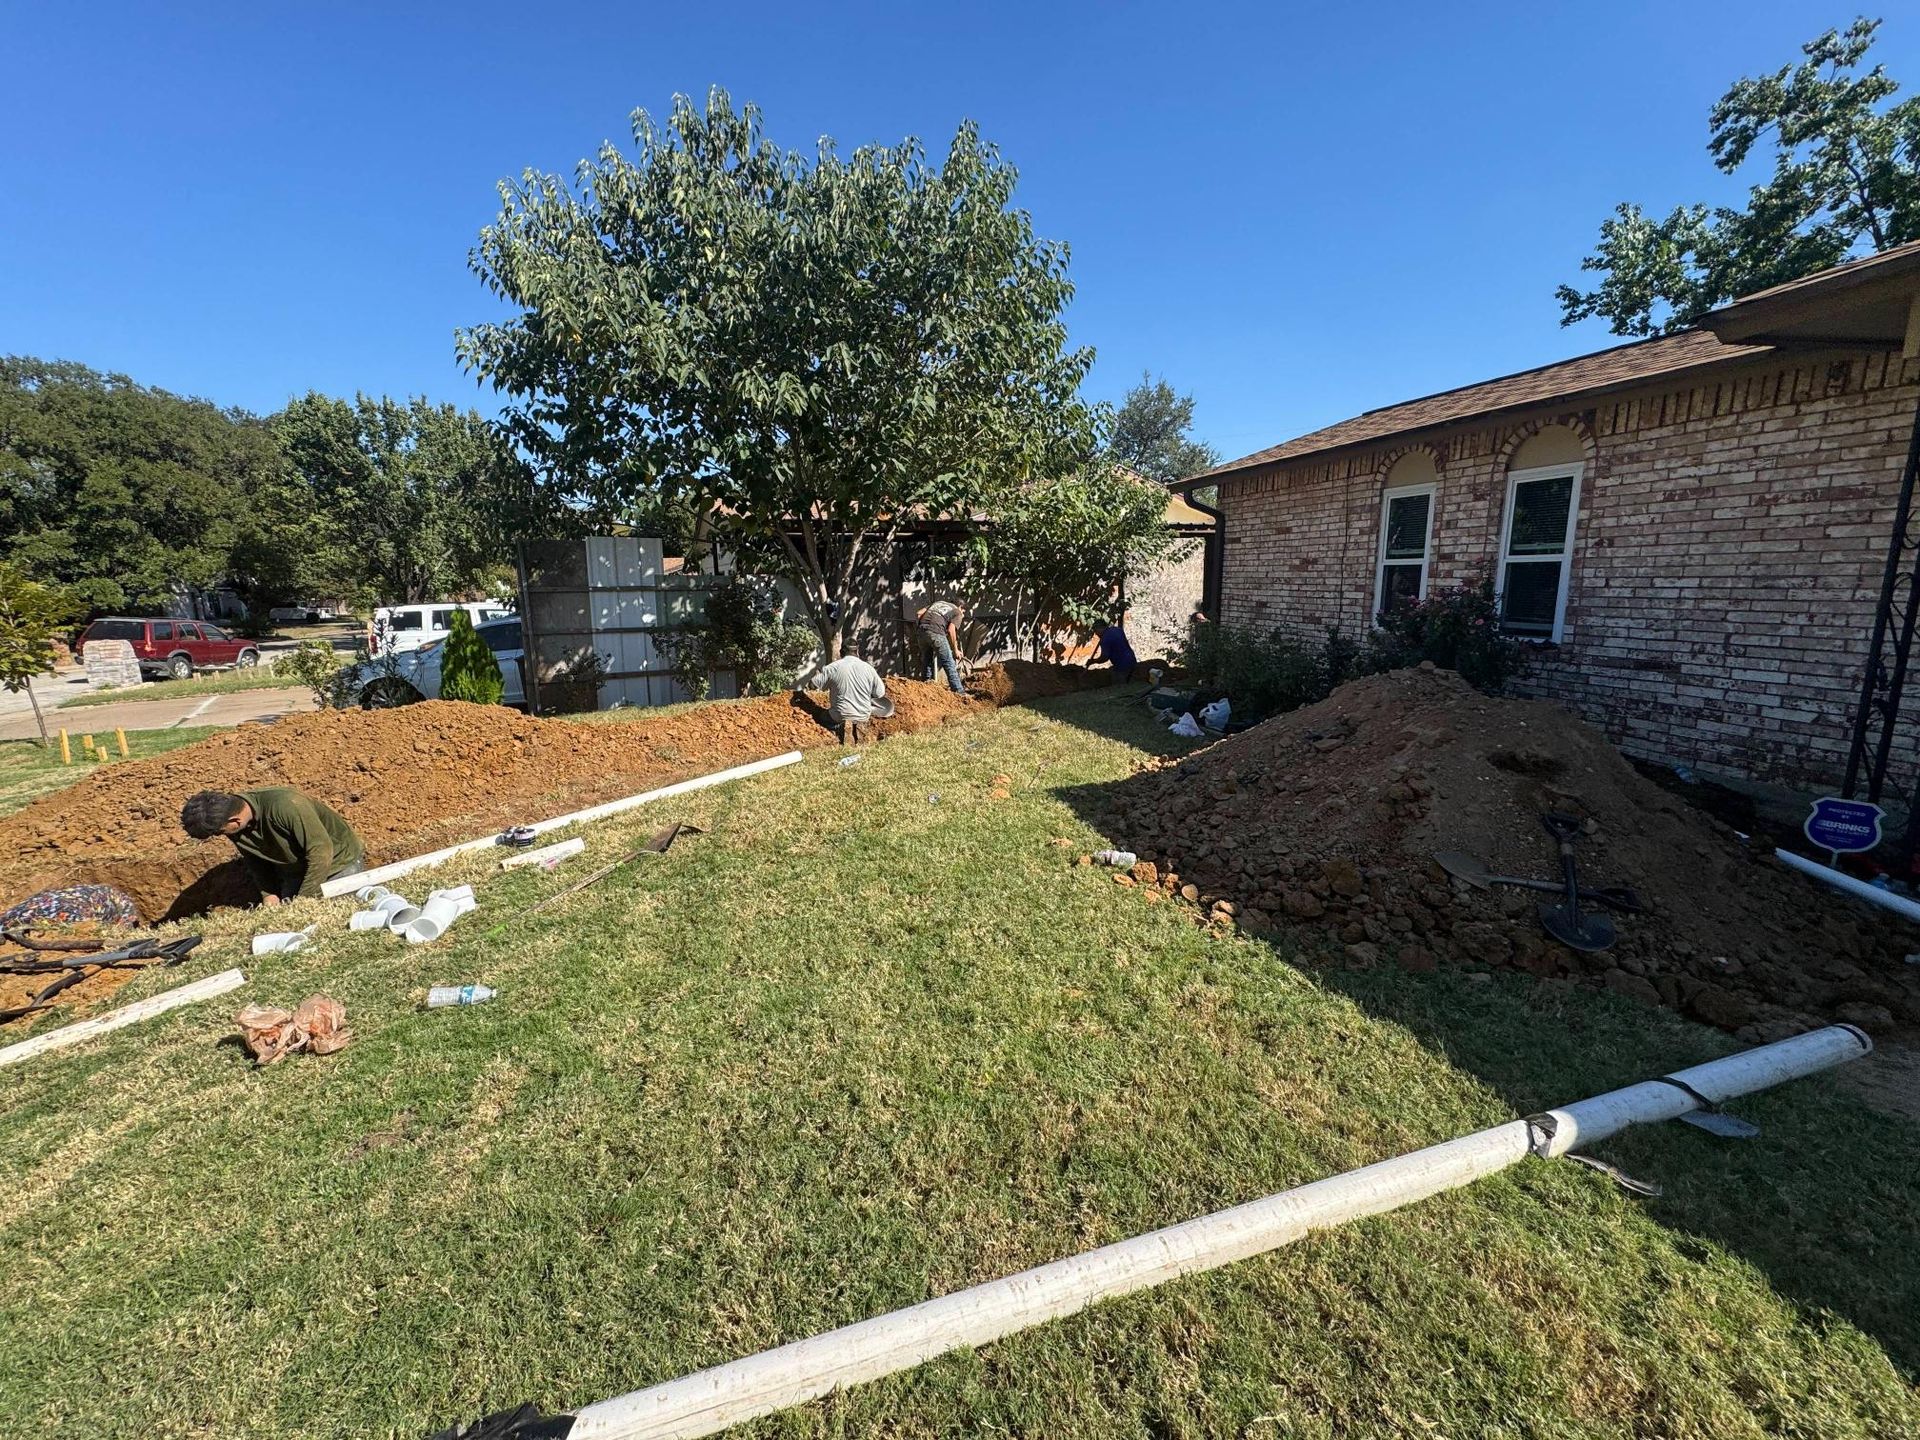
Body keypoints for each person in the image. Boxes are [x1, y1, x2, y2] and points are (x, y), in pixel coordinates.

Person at [180, 788, 366, 907]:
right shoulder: (234, 825)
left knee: (336, 910)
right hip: (295, 871)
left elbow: (321, 852)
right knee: (286, 919)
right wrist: (269, 894)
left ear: (235, 821)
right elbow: (255, 861)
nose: (222, 836)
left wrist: (305, 900)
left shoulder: (286, 805)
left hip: (337, 862)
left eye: (220, 832)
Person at [818, 653, 894, 743]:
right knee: (861, 715)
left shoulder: (833, 667)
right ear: (857, 652)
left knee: (822, 718)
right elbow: (880, 693)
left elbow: (817, 684)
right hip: (863, 714)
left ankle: (840, 728)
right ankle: (858, 727)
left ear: (842, 652)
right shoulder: (868, 668)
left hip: (840, 714)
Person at [916, 598, 967, 694]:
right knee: (948, 662)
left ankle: (926, 688)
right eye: (963, 611)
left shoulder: (938, 603)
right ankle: (959, 692)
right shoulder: (957, 612)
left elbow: (919, 614)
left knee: (926, 660)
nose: (963, 614)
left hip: (921, 631)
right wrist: (955, 650)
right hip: (936, 633)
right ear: (960, 607)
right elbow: (951, 630)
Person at [1088, 613, 1138, 679]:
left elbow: (1104, 658)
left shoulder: (1105, 639)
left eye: (1095, 630)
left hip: (1122, 666)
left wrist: (1093, 661)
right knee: (1130, 683)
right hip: (1132, 660)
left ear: (1100, 628)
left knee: (1118, 684)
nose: (1095, 633)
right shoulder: (1117, 630)